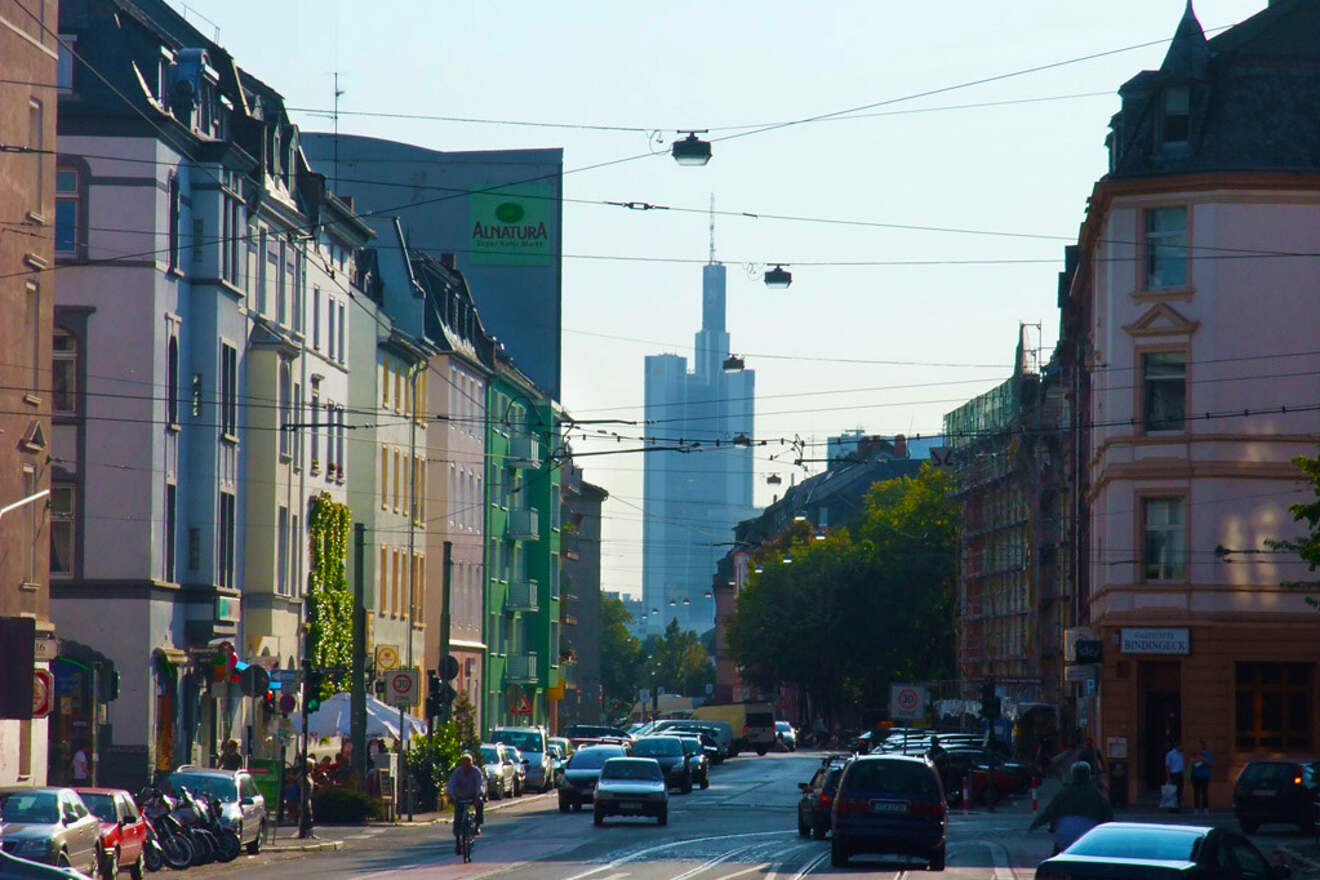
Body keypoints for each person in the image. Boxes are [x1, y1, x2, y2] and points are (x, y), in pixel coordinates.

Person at [1029, 761, 1114, 854]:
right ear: (1088, 774)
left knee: (1057, 854)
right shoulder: (1097, 794)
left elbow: (1049, 812)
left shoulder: (1064, 793)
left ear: (1073, 775)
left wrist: (1034, 825)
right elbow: (1108, 814)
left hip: (1065, 832)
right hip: (1089, 833)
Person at [445, 752, 485, 854]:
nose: (466, 767)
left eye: (468, 764)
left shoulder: (476, 772)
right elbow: (451, 785)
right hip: (460, 797)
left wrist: (478, 795)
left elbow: (480, 785)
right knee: (458, 817)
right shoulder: (457, 773)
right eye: (464, 764)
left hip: (472, 796)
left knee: (480, 804)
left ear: (472, 764)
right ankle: (458, 842)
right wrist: (451, 796)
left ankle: (477, 825)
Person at [1190, 739, 1212, 815]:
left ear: (1203, 746)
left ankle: (1205, 808)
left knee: (1204, 793)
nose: (1198, 747)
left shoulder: (1208, 754)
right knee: (1196, 793)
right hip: (1196, 775)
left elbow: (1210, 764)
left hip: (1205, 775)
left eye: (1199, 746)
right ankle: (1196, 808)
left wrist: (1203, 760)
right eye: (1197, 746)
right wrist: (1195, 761)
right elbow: (1192, 764)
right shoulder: (1194, 754)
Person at [1165, 741, 1186, 812]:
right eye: (1181, 746)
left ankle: (1178, 807)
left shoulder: (1181, 754)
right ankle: (1171, 808)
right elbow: (1167, 766)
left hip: (1180, 774)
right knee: (1172, 791)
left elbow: (1182, 765)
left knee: (1179, 791)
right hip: (1173, 774)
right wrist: (1168, 777)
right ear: (1178, 746)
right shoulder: (1170, 754)